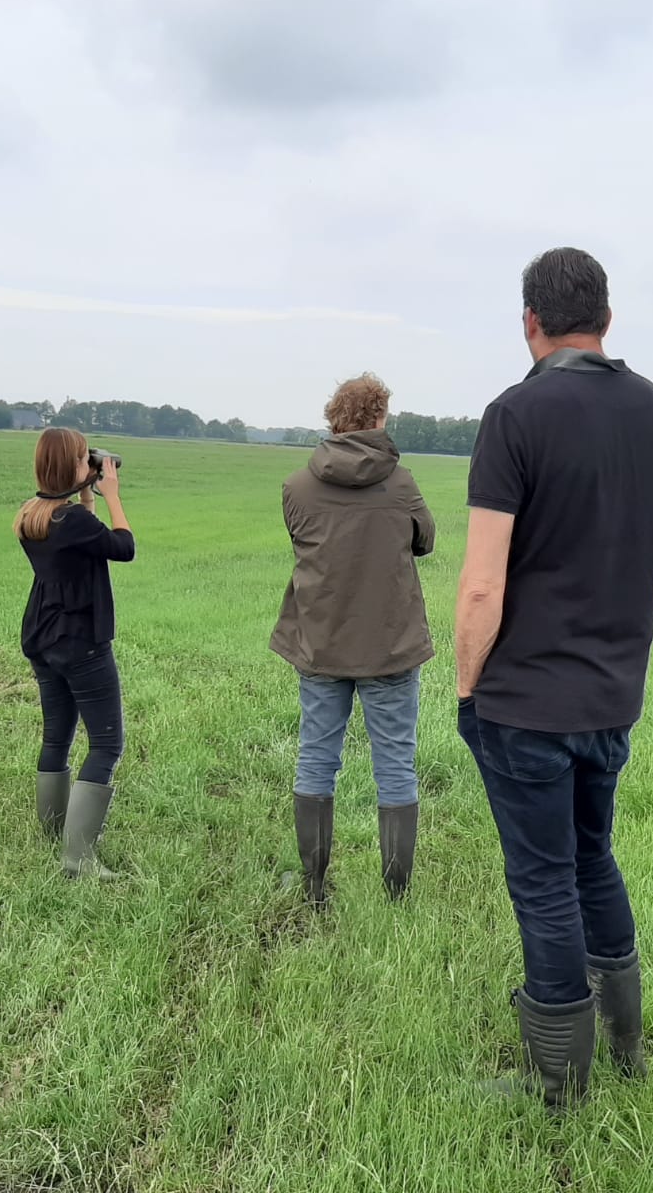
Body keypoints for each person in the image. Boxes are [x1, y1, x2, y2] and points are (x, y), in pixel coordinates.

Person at [454, 248, 653, 1109]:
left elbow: (482, 582)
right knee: (593, 857)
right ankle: (625, 1048)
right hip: (612, 696)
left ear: (530, 322)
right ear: (605, 319)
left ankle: (558, 1084)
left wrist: (465, 687)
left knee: (543, 880)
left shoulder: (515, 416)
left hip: (526, 701)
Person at [271, 373, 436, 906]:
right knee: (395, 763)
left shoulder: (297, 485)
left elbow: (302, 539)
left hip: (321, 642)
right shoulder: (402, 483)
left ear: (334, 419)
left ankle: (314, 887)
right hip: (390, 645)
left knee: (317, 758)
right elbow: (425, 541)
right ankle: (396, 894)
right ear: (379, 418)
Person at [16, 427, 135, 880]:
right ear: (74, 466)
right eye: (87, 458)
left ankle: (53, 829)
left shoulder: (34, 515)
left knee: (57, 737)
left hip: (43, 639)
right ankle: (78, 858)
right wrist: (112, 496)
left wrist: (84, 497)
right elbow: (123, 547)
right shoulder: (77, 525)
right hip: (81, 641)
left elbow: (79, 542)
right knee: (106, 744)